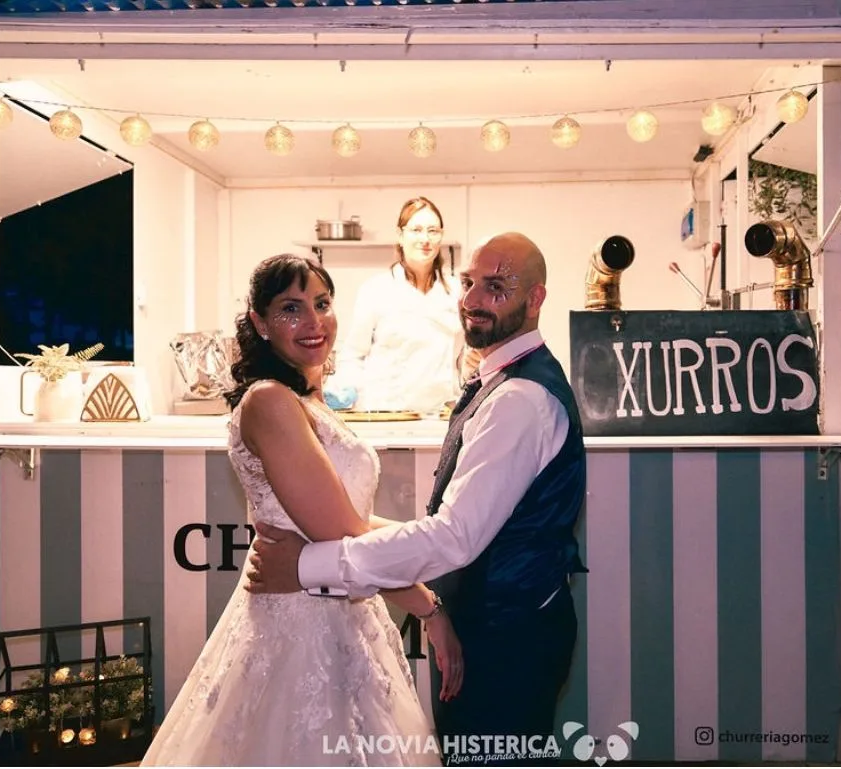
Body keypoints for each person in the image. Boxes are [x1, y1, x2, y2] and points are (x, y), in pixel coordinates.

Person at [246, 233, 588, 766]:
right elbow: (357, 521)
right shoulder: (280, 401)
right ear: (260, 321)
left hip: (507, 639)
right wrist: (432, 609)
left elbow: (453, 536)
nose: (473, 299)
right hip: (462, 626)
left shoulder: (521, 397)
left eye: (496, 287)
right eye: (470, 283)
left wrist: (312, 564)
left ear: (535, 298)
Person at [141, 253, 463, 767]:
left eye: (322, 303)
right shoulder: (269, 402)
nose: (314, 322)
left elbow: (350, 520)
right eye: (291, 309)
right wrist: (428, 605)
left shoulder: (311, 402)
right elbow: (342, 530)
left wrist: (441, 545)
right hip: (299, 626)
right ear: (259, 323)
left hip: (348, 612)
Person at [329, 196, 472, 413]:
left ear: (441, 236)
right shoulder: (376, 290)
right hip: (386, 412)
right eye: (416, 230)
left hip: (440, 413)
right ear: (400, 235)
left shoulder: (456, 293)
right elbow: (353, 354)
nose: (425, 238)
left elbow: (463, 359)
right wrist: (346, 389)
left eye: (433, 231)